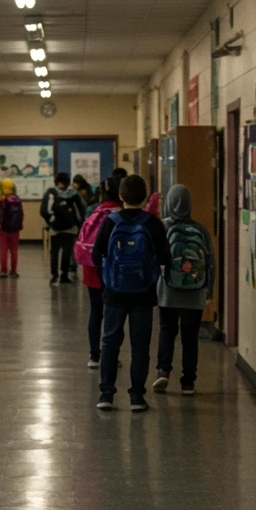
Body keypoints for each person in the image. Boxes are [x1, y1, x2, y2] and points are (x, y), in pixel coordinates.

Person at [91, 174, 172, 413]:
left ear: (120, 196)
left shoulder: (110, 222)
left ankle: (106, 393)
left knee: (110, 342)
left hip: (114, 292)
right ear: (145, 197)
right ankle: (137, 397)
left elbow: (96, 256)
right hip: (143, 294)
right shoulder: (152, 223)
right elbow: (166, 258)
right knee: (140, 345)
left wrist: (109, 274)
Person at [154, 184, 215, 395]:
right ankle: (188, 381)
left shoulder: (162, 227)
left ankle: (163, 371)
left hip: (168, 292)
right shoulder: (201, 230)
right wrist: (209, 292)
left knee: (167, 331)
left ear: (169, 203)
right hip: (195, 291)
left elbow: (155, 259)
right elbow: (210, 263)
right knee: (190, 338)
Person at [75, 177, 121, 369]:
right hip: (115, 271)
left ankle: (94, 356)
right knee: (114, 314)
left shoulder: (93, 212)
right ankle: (112, 355)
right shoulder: (121, 215)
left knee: (95, 311)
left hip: (92, 269)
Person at [41, 172, 85, 285]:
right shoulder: (74, 194)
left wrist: (50, 222)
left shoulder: (51, 193)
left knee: (54, 252)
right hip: (70, 228)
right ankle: (64, 275)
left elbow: (44, 211)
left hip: (55, 228)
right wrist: (79, 225)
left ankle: (54, 275)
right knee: (67, 252)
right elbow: (82, 210)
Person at [0, 178, 24, 278]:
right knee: (14, 250)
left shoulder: (2, 200)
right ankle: (13, 271)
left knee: (3, 250)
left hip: (4, 229)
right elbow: (21, 214)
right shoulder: (17, 199)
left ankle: (4, 270)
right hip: (15, 229)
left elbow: (0, 214)